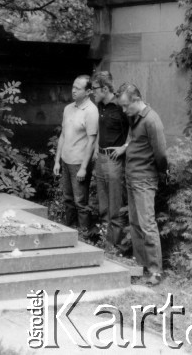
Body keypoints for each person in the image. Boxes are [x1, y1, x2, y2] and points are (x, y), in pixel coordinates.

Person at [118, 84, 167, 286]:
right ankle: (142, 266)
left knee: (147, 224)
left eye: (125, 105)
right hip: (132, 176)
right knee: (135, 223)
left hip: (145, 179)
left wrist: (162, 172)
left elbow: (161, 153)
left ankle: (156, 271)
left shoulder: (152, 120)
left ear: (137, 100)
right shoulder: (134, 118)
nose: (123, 110)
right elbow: (135, 141)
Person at [53, 75, 98, 234]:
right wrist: (57, 161)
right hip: (66, 159)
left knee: (80, 200)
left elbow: (91, 142)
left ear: (88, 92)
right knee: (67, 198)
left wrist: (84, 168)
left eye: (78, 88)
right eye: (73, 87)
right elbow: (63, 136)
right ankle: (68, 229)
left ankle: (84, 232)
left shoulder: (91, 111)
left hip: (79, 162)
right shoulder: (68, 108)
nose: (73, 91)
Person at [92, 71, 129, 250]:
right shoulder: (100, 106)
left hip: (115, 161)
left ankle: (116, 247)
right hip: (101, 158)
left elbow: (139, 129)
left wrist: (125, 146)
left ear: (105, 88)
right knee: (103, 205)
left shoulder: (122, 106)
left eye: (95, 89)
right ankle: (105, 244)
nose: (93, 92)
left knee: (115, 206)